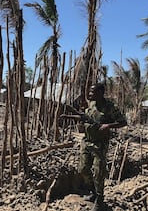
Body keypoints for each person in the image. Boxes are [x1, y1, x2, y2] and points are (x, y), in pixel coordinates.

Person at [60, 83, 127, 211]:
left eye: (92, 92)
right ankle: (93, 192)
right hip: (87, 141)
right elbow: (85, 118)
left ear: (101, 93)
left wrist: (108, 126)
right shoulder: (91, 105)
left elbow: (123, 122)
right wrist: (69, 116)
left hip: (100, 144)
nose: (90, 94)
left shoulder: (110, 107)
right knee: (83, 169)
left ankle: (99, 199)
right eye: (90, 92)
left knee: (98, 172)